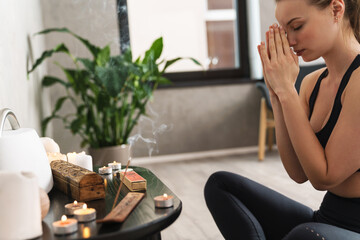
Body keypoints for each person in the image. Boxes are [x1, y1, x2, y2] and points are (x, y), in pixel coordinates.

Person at [204, 0, 360, 239]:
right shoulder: (312, 83)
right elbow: (298, 172)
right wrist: (277, 94)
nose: (290, 40)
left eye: (296, 26)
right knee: (220, 186)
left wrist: (288, 90)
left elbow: (323, 177)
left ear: (336, 10)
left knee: (305, 235)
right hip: (326, 219)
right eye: (284, 31)